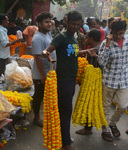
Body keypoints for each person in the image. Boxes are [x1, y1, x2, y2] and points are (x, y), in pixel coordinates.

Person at [42, 11, 82, 150]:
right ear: (66, 22)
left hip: (71, 80)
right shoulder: (62, 37)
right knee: (65, 111)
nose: (75, 27)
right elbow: (47, 50)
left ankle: (61, 137)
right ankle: (66, 144)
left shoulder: (73, 37)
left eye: (78, 24)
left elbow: (71, 55)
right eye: (73, 24)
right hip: (63, 80)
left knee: (64, 110)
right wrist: (46, 53)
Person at [98, 19, 128, 142]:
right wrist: (107, 45)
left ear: (125, 31)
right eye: (115, 33)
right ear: (111, 31)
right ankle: (105, 130)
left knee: (122, 106)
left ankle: (112, 123)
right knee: (105, 107)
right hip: (109, 81)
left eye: (120, 33)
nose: (118, 36)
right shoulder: (106, 43)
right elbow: (101, 62)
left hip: (124, 80)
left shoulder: (127, 42)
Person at [75, 29, 102, 135]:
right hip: (94, 81)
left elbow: (75, 53)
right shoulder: (99, 48)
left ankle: (88, 127)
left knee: (88, 103)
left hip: (92, 82)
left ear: (91, 38)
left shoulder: (95, 50)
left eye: (87, 37)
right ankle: (89, 126)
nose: (86, 39)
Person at [32, 12, 56, 127]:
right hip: (41, 73)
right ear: (39, 23)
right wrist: (42, 75)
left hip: (49, 71)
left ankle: (45, 116)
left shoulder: (48, 33)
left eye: (50, 21)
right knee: (38, 95)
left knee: (46, 96)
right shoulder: (37, 38)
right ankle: (36, 118)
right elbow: (38, 57)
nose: (49, 24)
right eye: (46, 22)